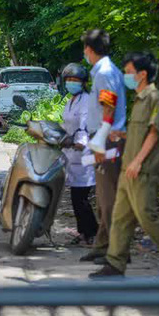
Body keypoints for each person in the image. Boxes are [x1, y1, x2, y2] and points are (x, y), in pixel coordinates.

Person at [90, 52, 159, 278]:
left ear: (142, 74)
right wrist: (122, 135)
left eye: (129, 72)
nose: (126, 76)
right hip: (127, 169)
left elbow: (153, 133)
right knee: (120, 218)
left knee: (147, 217)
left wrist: (138, 161)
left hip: (142, 170)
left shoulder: (155, 98)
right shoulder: (138, 100)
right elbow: (140, 133)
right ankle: (115, 263)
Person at [78, 29, 128, 263]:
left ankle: (116, 251)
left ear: (89, 49)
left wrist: (99, 139)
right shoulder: (105, 71)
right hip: (105, 138)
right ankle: (102, 244)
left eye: (85, 48)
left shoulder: (104, 73)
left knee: (108, 198)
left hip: (107, 139)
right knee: (102, 196)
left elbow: (109, 107)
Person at [60, 63, 98, 245]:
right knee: (75, 197)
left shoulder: (87, 101)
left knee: (81, 197)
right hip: (71, 155)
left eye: (75, 80)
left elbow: (84, 125)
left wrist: (79, 142)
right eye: (69, 80)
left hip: (85, 154)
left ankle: (92, 233)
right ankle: (83, 231)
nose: (71, 83)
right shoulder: (70, 101)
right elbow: (65, 125)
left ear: (83, 82)